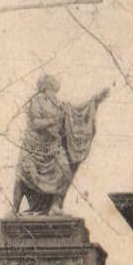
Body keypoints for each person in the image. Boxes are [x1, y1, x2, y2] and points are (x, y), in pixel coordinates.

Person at [11, 75, 109, 214]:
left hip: (53, 147)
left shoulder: (58, 104)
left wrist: (95, 100)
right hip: (33, 147)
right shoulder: (36, 102)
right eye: (52, 87)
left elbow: (77, 111)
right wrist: (54, 120)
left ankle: (54, 206)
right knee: (22, 175)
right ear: (45, 87)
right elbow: (37, 123)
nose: (55, 92)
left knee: (64, 171)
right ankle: (14, 208)